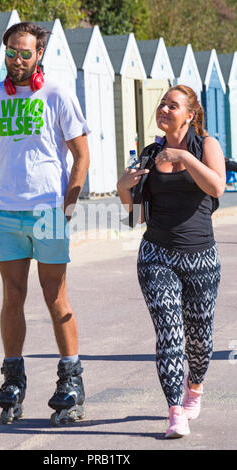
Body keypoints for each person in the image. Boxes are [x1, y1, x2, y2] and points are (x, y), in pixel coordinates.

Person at [0, 22, 90, 425]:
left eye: (25, 53)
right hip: (5, 213)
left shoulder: (56, 93)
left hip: (48, 212)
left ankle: (71, 378)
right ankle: (12, 378)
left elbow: (81, 155)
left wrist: (69, 206)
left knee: (54, 294)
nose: (18, 60)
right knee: (12, 295)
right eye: (11, 53)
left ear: (39, 54)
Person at [117, 85, 225, 438]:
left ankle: (195, 386)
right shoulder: (150, 154)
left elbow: (217, 188)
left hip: (201, 257)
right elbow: (136, 219)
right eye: (161, 104)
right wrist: (123, 190)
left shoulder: (207, 146)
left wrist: (185, 158)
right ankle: (174, 411)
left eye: (172, 105)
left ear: (190, 114)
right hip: (156, 255)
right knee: (169, 333)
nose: (163, 109)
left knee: (199, 339)